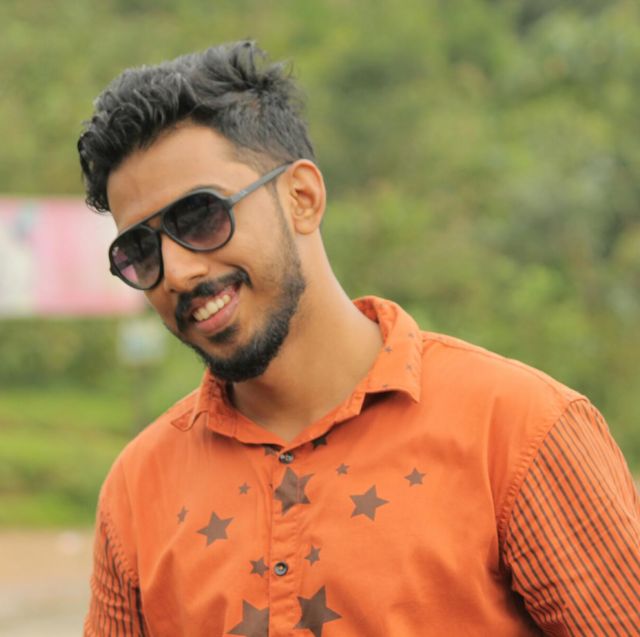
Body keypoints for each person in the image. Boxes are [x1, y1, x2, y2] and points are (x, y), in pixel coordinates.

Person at [78, 41, 640, 637]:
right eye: (140, 251)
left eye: (199, 217)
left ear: (302, 198)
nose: (177, 272)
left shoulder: (519, 433)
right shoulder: (138, 490)